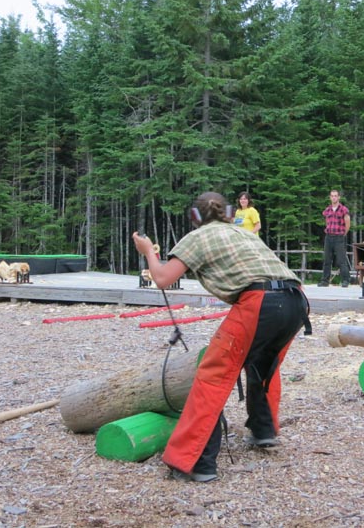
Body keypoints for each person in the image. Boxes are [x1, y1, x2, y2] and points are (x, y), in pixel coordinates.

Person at [132, 192, 311, 483]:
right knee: (262, 364)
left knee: (213, 376)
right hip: (296, 301)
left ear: (196, 217)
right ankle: (264, 431)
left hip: (259, 301)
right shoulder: (243, 234)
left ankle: (197, 463)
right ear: (229, 212)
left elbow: (163, 278)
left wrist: (148, 251)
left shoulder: (198, 236)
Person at [319, 189, 351, 287]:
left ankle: (345, 280)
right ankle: (325, 280)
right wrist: (327, 228)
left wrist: (344, 233)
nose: (334, 197)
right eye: (332, 196)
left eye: (336, 196)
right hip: (329, 236)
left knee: (341, 260)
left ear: (338, 197)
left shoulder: (343, 209)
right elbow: (326, 220)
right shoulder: (327, 209)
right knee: (327, 259)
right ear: (330, 197)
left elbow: (348, 222)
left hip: (339, 236)